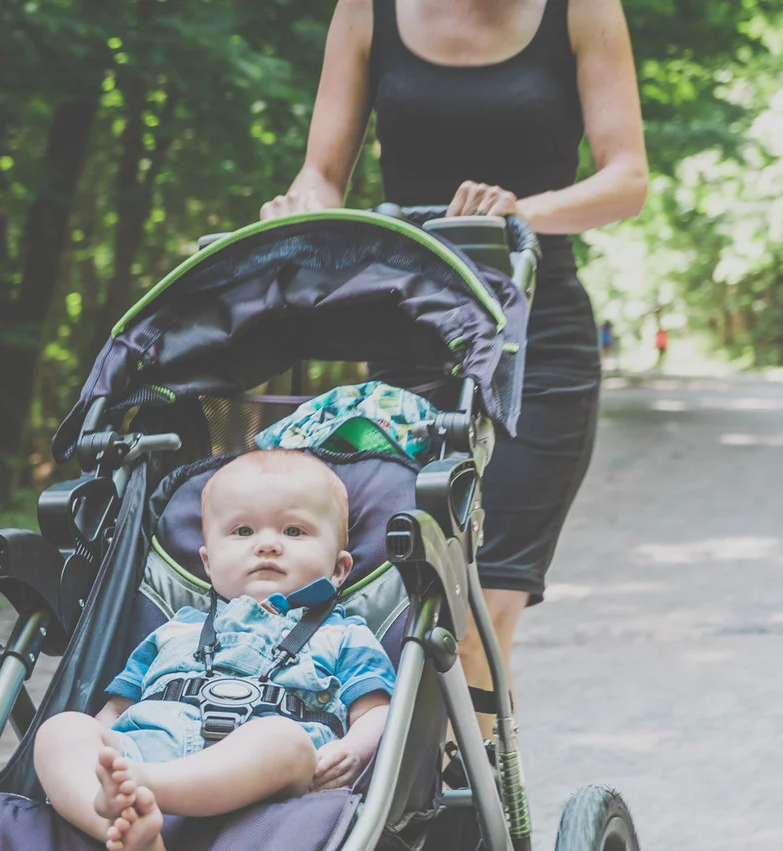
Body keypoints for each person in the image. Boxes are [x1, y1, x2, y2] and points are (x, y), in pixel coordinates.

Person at [259, 0, 649, 728]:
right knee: (409, 592)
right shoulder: (367, 12)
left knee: (478, 610)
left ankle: (467, 823)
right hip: (409, 336)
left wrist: (517, 215)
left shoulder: (582, 10)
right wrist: (299, 208)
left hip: (534, 343)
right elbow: (322, 170)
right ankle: (409, 803)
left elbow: (627, 179)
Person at [32, 451, 396, 851]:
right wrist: (94, 753)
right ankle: (119, 825)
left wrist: (352, 748)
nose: (267, 544)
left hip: (261, 778)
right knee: (61, 731)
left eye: (294, 531)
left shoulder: (344, 634)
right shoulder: (173, 630)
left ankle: (143, 792)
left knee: (285, 741)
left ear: (338, 569)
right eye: (242, 531)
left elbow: (378, 711)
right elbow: (116, 709)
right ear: (207, 563)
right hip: (148, 747)